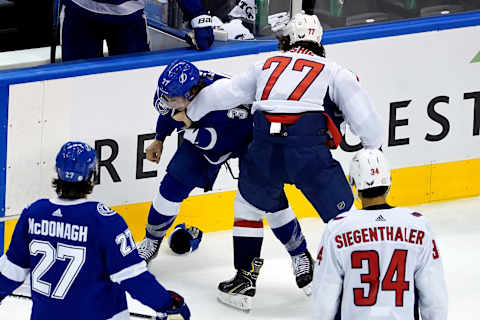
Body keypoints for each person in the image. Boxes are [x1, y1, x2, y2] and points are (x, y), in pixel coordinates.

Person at [172, 13, 385, 311]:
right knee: (344, 217)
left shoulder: (266, 64)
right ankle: (361, 281)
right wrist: (373, 150)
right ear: (319, 41)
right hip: (308, 150)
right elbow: (368, 124)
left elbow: (223, 94)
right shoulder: (335, 71)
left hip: (264, 149)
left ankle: (243, 280)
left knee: (247, 206)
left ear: (287, 39)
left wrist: (191, 112)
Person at [0, 142, 190, 320]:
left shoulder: (33, 214)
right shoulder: (105, 222)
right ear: (93, 175)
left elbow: (10, 271)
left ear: (58, 172)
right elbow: (133, 277)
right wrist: (167, 304)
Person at [136, 59, 254, 263]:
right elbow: (169, 114)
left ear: (191, 94)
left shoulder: (225, 101)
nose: (166, 101)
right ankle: (151, 240)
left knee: (260, 195)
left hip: (244, 136)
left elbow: (215, 141)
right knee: (172, 186)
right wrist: (159, 138)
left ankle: (290, 256)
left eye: (171, 99)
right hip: (203, 132)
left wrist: (193, 131)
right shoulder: (176, 95)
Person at [312, 149, 448, 320]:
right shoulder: (418, 225)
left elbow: (324, 299)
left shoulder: (338, 228)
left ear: (353, 184)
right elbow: (435, 298)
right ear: (389, 181)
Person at [60, 0, 213, 61]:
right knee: (78, 87)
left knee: (136, 83)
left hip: (129, 18)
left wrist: (197, 15)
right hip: (80, 13)